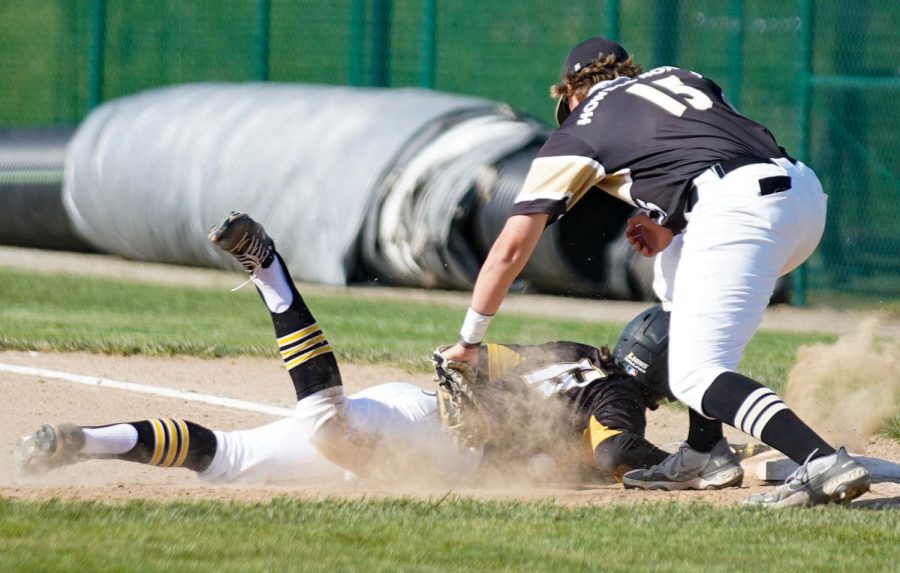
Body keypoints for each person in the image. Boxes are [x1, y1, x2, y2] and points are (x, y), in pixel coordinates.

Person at [439, 37, 870, 507]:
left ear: (571, 94)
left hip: (738, 210)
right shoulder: (678, 77)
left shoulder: (581, 125)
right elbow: (711, 148)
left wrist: (470, 339)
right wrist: (671, 219)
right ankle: (705, 450)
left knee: (695, 374)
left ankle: (821, 459)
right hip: (801, 194)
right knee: (671, 276)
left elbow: (512, 245)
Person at [15, 213, 674, 485]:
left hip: (415, 419)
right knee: (327, 423)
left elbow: (473, 358)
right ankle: (271, 271)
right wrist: (676, 464)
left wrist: (460, 367)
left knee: (230, 459)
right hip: (437, 440)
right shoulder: (615, 395)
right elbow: (615, 450)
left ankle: (80, 441)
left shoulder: (572, 349)